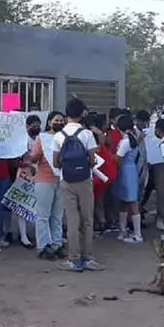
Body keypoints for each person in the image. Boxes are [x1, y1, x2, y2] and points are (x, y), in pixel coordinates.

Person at [52, 98, 103, 272]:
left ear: (66, 114)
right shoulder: (87, 134)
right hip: (85, 180)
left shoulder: (59, 135)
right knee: (88, 220)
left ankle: (73, 260)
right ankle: (88, 257)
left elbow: (56, 162)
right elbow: (92, 159)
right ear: (82, 114)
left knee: (72, 220)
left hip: (66, 181)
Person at [31, 111, 66, 259]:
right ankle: (43, 246)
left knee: (57, 215)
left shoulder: (66, 137)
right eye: (56, 120)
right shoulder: (42, 138)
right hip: (44, 179)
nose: (59, 123)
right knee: (43, 215)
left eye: (61, 120)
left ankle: (56, 244)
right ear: (50, 121)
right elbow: (34, 157)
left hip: (62, 179)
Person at [114, 114, 144, 243]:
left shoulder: (125, 141)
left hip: (125, 171)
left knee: (132, 202)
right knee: (125, 201)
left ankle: (137, 234)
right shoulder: (132, 138)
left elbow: (118, 158)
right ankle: (123, 230)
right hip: (130, 170)